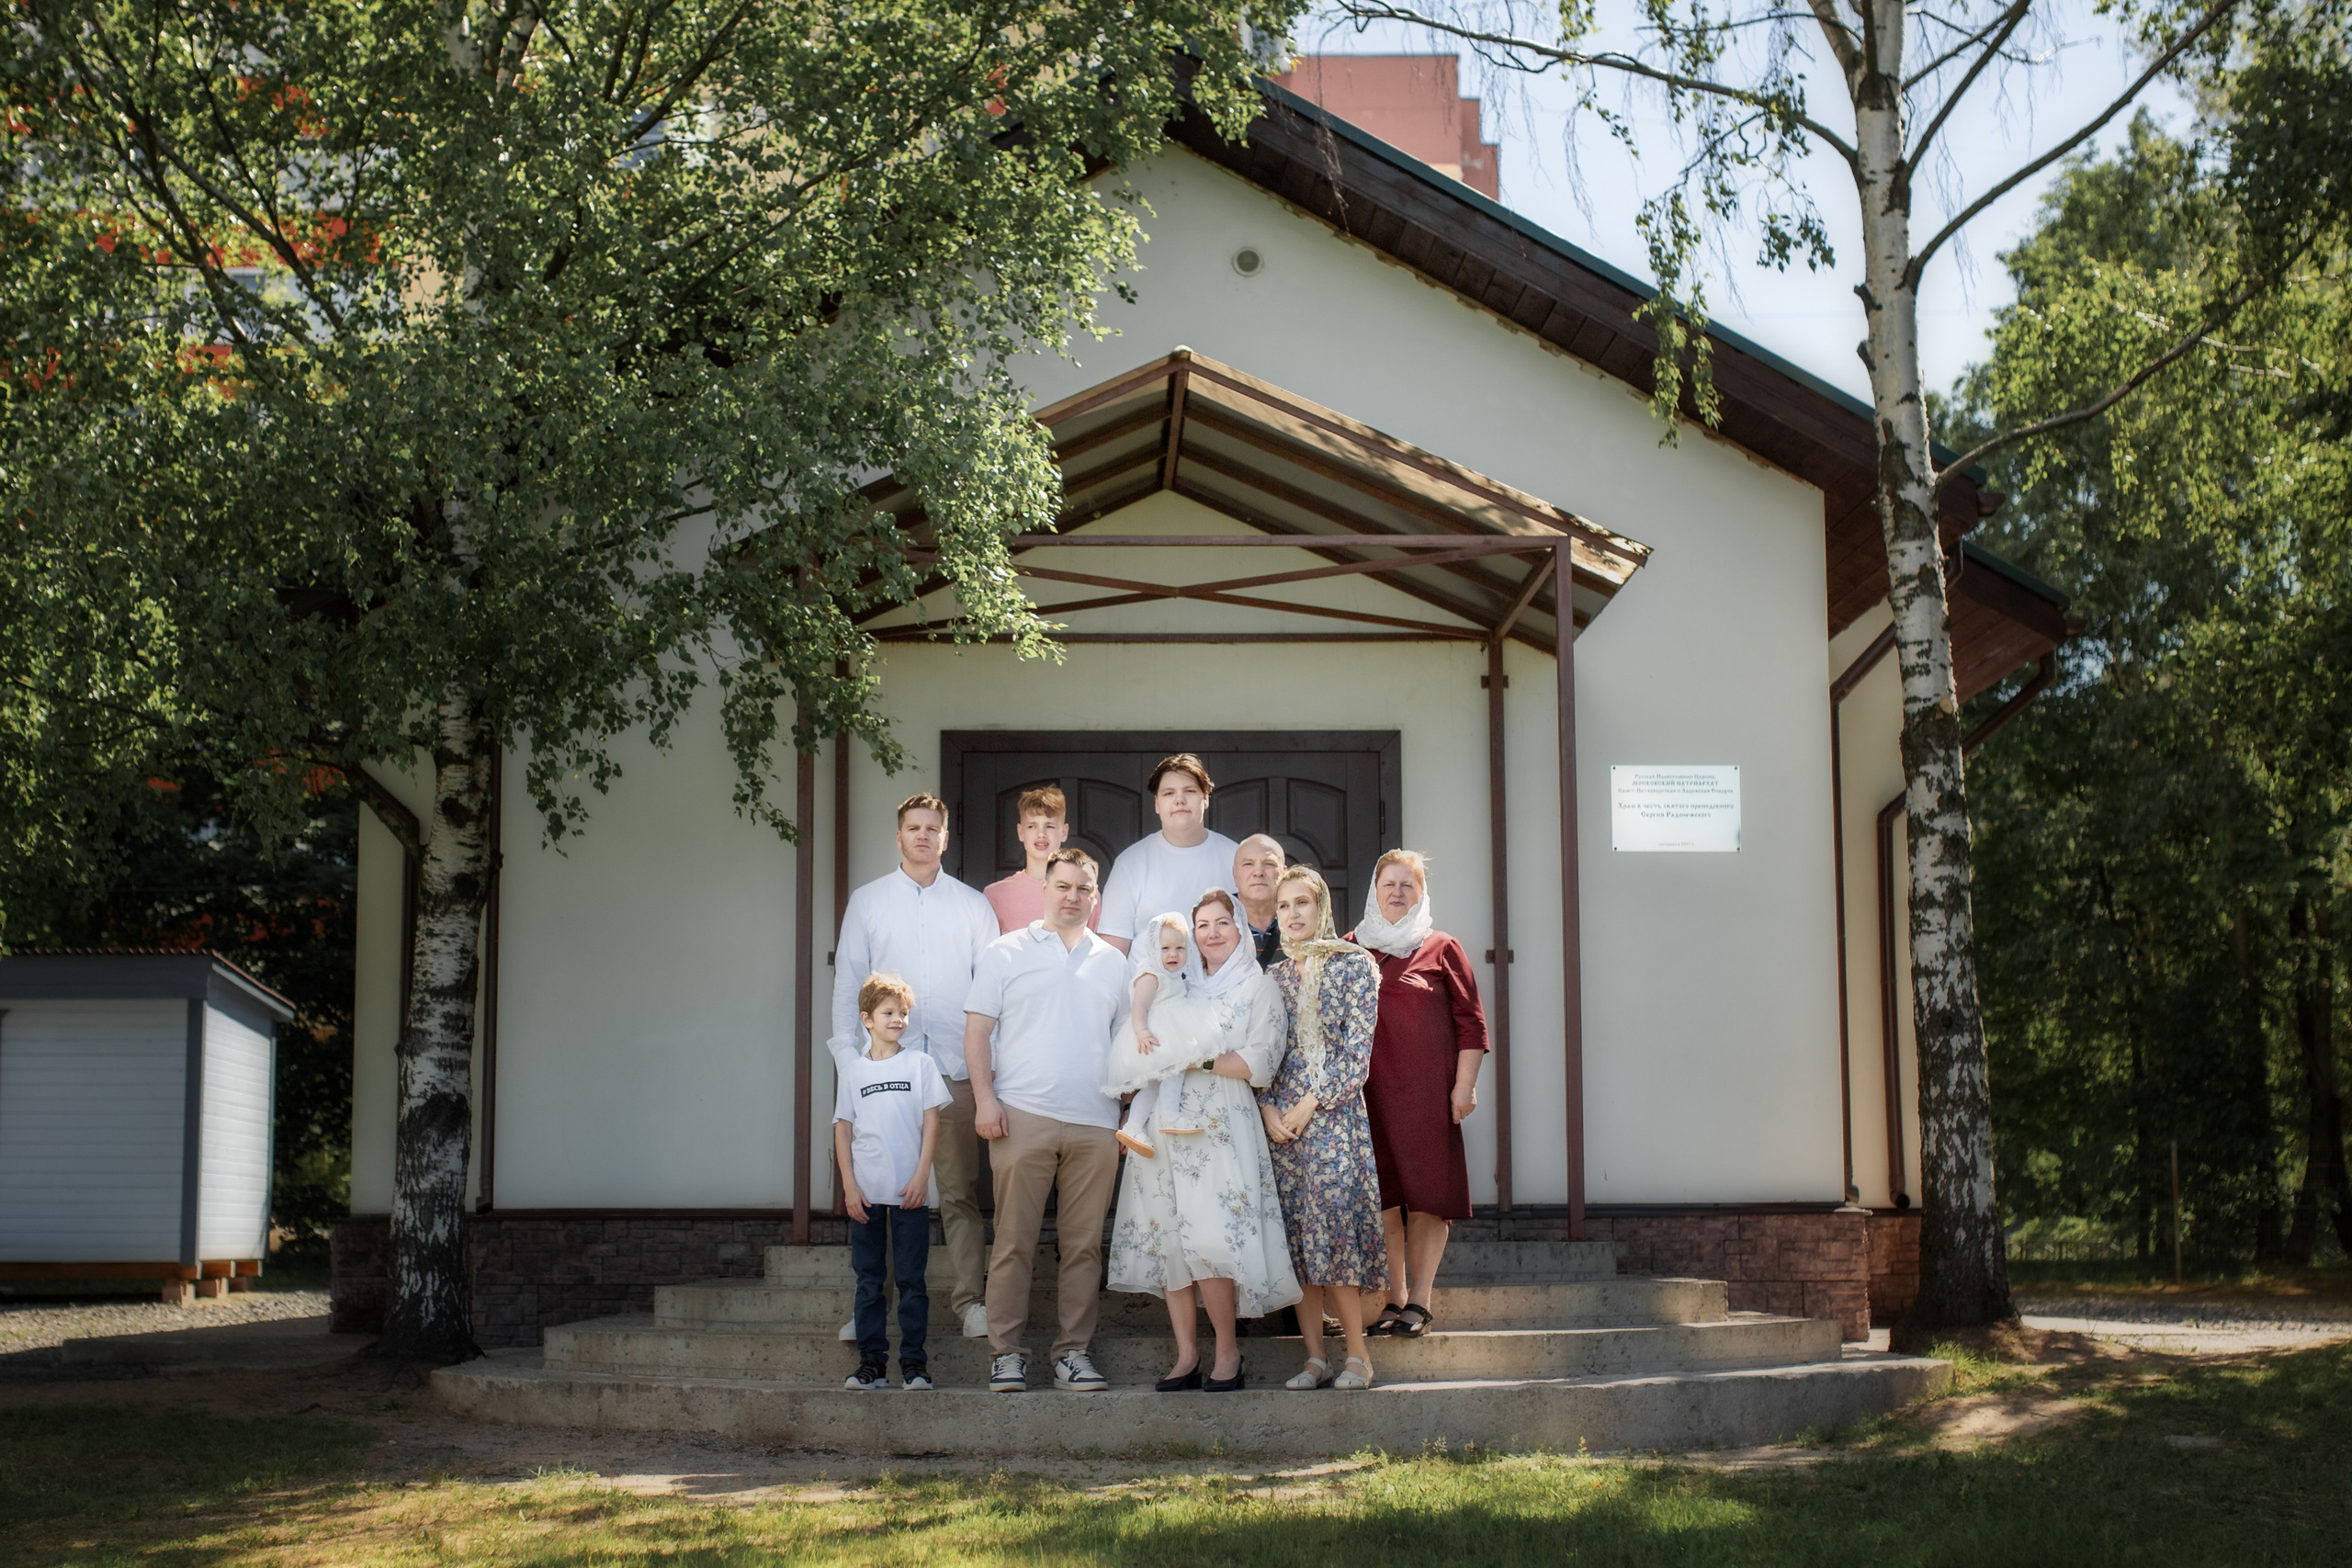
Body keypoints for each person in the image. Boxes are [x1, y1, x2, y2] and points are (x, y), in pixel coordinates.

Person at [1107, 891, 1300, 1393]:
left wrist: (1198, 1058)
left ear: (1241, 929)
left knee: (1212, 1237)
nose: (1211, 933)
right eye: (1202, 924)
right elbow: (1143, 1042)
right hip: (1164, 1129)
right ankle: (1186, 1354)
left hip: (1220, 1125)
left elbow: (1261, 1063)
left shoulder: (1260, 987)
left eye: (1222, 923)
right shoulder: (1178, 984)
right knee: (1171, 1237)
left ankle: (1228, 1353)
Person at [829, 793, 1001, 1342]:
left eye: (933, 828)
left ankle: (971, 1301)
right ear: (898, 836)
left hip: (952, 1065)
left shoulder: (973, 906)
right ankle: (870, 1307)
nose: (923, 835)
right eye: (913, 827)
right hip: (880, 1068)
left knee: (956, 1191)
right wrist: (847, 1057)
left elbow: (994, 989)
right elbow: (848, 981)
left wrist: (991, 1070)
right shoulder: (869, 901)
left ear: (945, 838)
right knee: (879, 1189)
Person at [963, 847, 1129, 1393]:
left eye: (1084, 888)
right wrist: (985, 1100)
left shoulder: (1114, 963)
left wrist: (1126, 1113)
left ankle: (1073, 1353)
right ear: (1045, 889)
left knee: (1083, 1246)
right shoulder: (1005, 953)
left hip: (1095, 1124)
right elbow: (977, 1033)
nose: (1073, 896)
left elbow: (1126, 1047)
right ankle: (1006, 1353)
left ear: (1096, 896)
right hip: (1022, 1116)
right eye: (1063, 886)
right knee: (1013, 1241)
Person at [1346, 851, 1488, 1338]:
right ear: (1375, 888)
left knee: (1427, 1197)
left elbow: (1472, 1025)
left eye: (1408, 885)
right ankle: (1393, 1296)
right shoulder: (1349, 947)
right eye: (1389, 883)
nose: (1398, 892)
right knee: (1384, 1199)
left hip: (1428, 1097)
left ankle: (1420, 1302)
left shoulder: (1442, 947)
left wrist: (1464, 1087)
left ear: (1421, 893)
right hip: (1366, 1098)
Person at [1261, 864, 1389, 1392]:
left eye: (1302, 904)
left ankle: (1357, 1356)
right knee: (1297, 1240)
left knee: (1334, 1233)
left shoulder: (1354, 967)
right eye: (1284, 906)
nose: (1293, 914)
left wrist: (1310, 1103)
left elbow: (1358, 1055)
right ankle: (1315, 1358)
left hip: (1333, 1117)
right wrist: (1269, 1110)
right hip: (1283, 1128)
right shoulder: (1270, 978)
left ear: (1321, 909)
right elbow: (1262, 1055)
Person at [833, 974, 951, 1391]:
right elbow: (843, 1130)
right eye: (888, 1013)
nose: (898, 1019)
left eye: (903, 1013)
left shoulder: (919, 1065)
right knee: (868, 1282)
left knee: (911, 1282)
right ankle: (872, 1364)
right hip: (865, 1196)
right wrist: (849, 1186)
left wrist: (922, 1175)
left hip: (910, 1196)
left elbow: (931, 1122)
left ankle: (914, 1365)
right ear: (867, 1019)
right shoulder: (854, 1072)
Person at [1102, 912, 1219, 1157]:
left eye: (1179, 948)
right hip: (1154, 1036)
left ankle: (1133, 1126)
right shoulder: (1151, 974)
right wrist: (1142, 1031)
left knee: (1154, 1087)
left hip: (1167, 1033)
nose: (1173, 954)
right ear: (1154, 949)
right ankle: (1170, 1115)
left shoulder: (1175, 976)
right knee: (1174, 1072)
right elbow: (1139, 1007)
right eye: (1165, 948)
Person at [1099, 753, 1238, 954]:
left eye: (1189, 791)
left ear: (1205, 798)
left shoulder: (1236, 858)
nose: (1179, 800)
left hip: (1223, 985)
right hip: (1150, 985)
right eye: (1169, 793)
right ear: (1156, 803)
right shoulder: (1130, 863)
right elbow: (1113, 951)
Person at [982, 785, 1098, 933]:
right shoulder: (995, 895)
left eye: (1049, 826)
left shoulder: (1086, 893)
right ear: (1020, 832)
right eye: (1032, 826)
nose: (1041, 834)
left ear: (1064, 832)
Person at [1233, 833, 1288, 968]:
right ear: (1235, 874)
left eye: (1269, 864)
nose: (1258, 872)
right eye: (1248, 864)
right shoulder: (1216, 924)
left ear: (1284, 874)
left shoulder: (1302, 923)